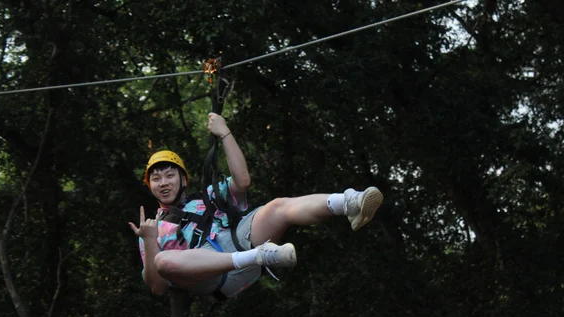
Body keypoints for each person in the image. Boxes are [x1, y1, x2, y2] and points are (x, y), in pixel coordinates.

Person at [129, 113, 383, 300]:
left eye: (169, 175)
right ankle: (259, 255)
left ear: (184, 179)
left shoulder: (207, 196)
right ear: (149, 185)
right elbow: (158, 288)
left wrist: (224, 132)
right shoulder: (152, 229)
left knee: (277, 207)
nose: (163, 182)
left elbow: (242, 181)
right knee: (163, 261)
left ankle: (349, 202)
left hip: (239, 240)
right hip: (210, 275)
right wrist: (150, 241)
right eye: (156, 178)